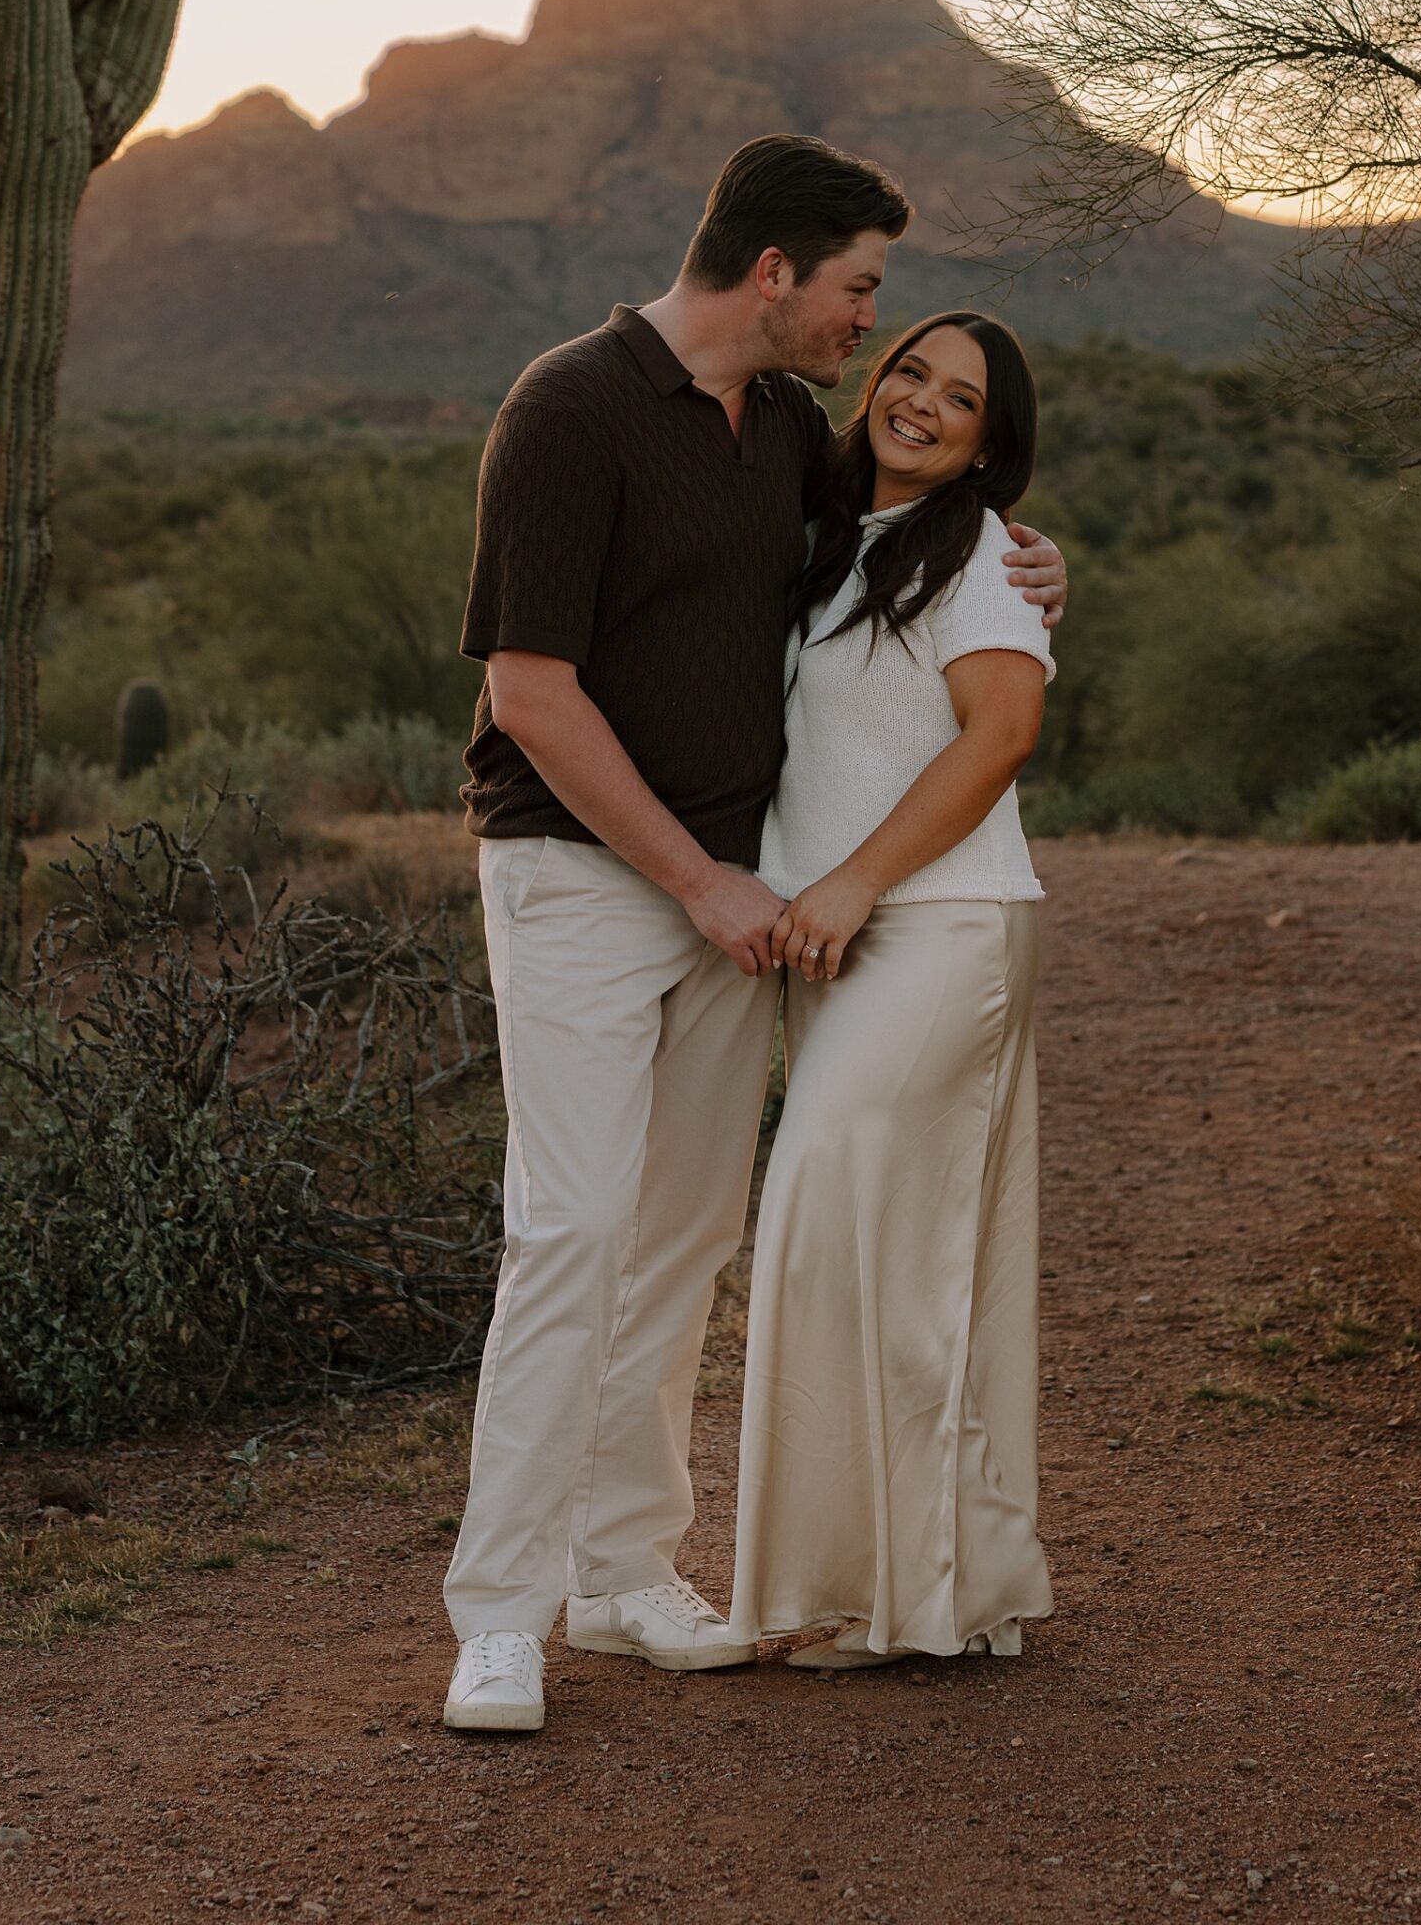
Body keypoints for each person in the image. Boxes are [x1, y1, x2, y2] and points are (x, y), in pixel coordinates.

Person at [440, 137, 1067, 1732]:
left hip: (738, 898)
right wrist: (699, 878)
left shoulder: (784, 429)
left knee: (679, 1240)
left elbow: (928, 533)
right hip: (585, 875)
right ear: (776, 274)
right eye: (860, 289)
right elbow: (530, 689)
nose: (871, 326)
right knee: (570, 1230)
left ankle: (624, 1572)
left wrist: (1040, 560)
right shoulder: (569, 407)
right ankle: (500, 1615)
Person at [727, 311, 1055, 1668]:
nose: (922, 402)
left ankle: (894, 1595)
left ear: (991, 443)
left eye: (960, 398)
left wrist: (855, 880)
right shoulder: (835, 544)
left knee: (835, 1229)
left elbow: (1006, 731)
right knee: (892, 1257)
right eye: (911, 371)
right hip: (844, 943)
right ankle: (937, 1587)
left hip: (936, 929)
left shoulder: (978, 553)